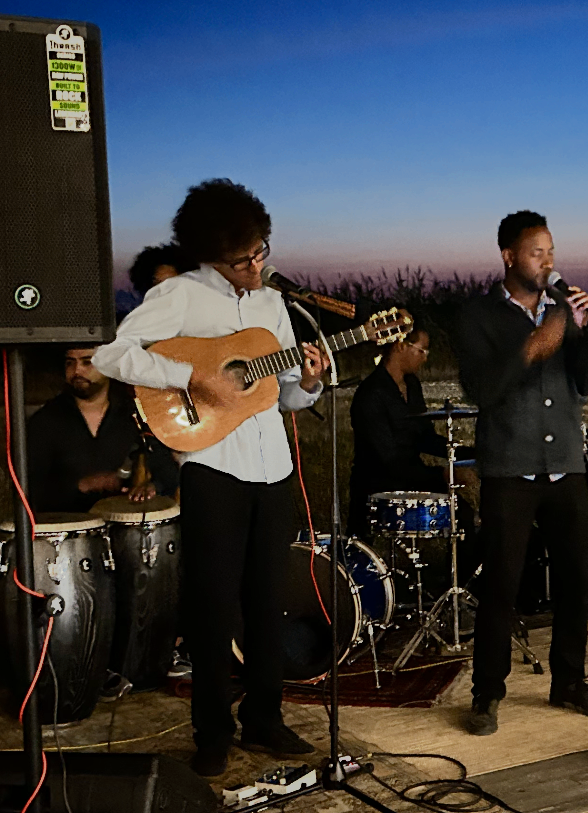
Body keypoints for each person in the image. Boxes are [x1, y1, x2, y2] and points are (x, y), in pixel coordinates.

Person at [92, 179, 329, 776]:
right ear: (211, 256)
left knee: (268, 599)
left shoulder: (275, 306)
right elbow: (113, 354)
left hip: (273, 466)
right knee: (213, 605)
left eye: (261, 251)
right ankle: (212, 733)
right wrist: (192, 378)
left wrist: (312, 378)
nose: (255, 266)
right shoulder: (181, 295)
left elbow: (286, 398)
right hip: (214, 468)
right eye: (242, 259)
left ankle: (266, 721)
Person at [452, 210, 588, 735]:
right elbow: (483, 388)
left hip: (566, 465)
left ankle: (569, 681)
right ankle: (486, 694)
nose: (548, 261)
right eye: (536, 252)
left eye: (551, 252)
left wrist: (582, 333)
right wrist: (541, 339)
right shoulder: (477, 316)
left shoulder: (563, 312)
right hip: (509, 469)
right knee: (502, 586)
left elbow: (585, 384)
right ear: (508, 256)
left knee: (577, 581)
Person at [25, 346, 176, 514]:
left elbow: (168, 470)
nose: (77, 371)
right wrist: (81, 485)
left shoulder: (135, 414)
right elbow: (31, 489)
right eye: (70, 363)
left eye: (87, 362)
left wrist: (153, 487)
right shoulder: (46, 420)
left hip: (127, 529)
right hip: (71, 531)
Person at [347, 325, 450, 537]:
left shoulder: (412, 386)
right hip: (377, 484)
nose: (425, 358)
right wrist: (440, 475)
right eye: (422, 350)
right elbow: (387, 457)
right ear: (400, 346)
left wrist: (466, 455)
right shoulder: (371, 394)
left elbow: (425, 437)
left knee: (462, 517)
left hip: (413, 477)